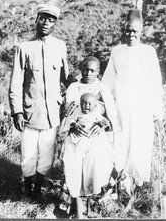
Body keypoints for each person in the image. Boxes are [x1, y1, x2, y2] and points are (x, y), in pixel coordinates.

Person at [8, 4, 70, 202]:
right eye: (43, 18)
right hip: (29, 112)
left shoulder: (60, 47)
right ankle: (27, 190)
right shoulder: (24, 48)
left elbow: (66, 78)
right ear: (36, 20)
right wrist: (17, 111)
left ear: (55, 24)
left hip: (52, 113)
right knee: (28, 154)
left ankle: (38, 189)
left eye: (51, 20)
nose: (46, 23)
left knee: (47, 156)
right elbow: (15, 82)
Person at [102, 9, 163, 192]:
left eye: (135, 31)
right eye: (128, 30)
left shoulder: (148, 51)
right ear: (124, 30)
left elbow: (155, 81)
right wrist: (100, 100)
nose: (131, 34)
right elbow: (108, 80)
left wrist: (156, 110)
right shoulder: (117, 51)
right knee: (123, 142)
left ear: (141, 32)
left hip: (142, 107)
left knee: (141, 142)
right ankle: (122, 182)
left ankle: (138, 184)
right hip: (123, 106)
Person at [59, 56, 119, 218]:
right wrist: (72, 125)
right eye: (85, 69)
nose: (88, 73)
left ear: (98, 72)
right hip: (75, 136)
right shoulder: (73, 87)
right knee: (73, 169)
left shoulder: (102, 88)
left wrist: (102, 126)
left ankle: (91, 208)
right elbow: (67, 112)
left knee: (94, 171)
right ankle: (77, 210)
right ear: (80, 68)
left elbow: (111, 117)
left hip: (96, 138)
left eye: (92, 70)